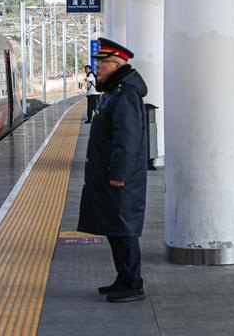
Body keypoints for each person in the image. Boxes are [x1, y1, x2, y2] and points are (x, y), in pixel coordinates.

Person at [77, 37, 148, 303]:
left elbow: (127, 139)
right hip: (110, 173)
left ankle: (133, 284)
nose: (98, 68)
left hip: (120, 177)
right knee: (115, 228)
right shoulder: (115, 91)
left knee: (124, 229)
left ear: (116, 64)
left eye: (103, 64)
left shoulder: (125, 94)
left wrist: (119, 174)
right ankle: (123, 279)